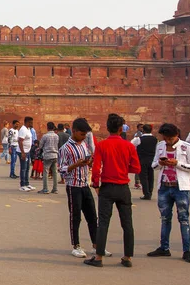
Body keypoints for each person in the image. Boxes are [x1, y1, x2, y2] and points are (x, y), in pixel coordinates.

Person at [84, 113, 140, 268]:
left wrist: (96, 184)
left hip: (107, 188)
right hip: (123, 187)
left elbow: (96, 169)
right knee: (127, 223)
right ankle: (127, 257)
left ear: (107, 128)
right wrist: (122, 168)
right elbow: (136, 168)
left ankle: (99, 257)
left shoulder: (102, 145)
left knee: (103, 223)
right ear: (121, 129)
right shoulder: (129, 146)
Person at [59, 118, 112, 258]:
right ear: (74, 131)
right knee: (75, 217)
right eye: (82, 134)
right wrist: (76, 165)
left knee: (92, 216)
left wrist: (88, 163)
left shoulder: (83, 145)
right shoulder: (65, 148)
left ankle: (96, 245)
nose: (84, 137)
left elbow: (87, 163)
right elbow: (62, 169)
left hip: (84, 184)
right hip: (73, 186)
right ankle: (76, 245)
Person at [147, 123, 190, 263]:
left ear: (177, 135)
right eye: (166, 138)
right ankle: (164, 247)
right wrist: (160, 163)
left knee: (183, 219)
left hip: (180, 187)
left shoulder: (186, 147)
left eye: (170, 138)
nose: (168, 141)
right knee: (165, 219)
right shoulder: (160, 146)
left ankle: (187, 251)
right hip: (164, 186)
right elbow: (153, 165)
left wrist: (177, 163)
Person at [131, 124, 157, 200]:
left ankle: (146, 193)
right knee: (150, 176)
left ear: (143, 130)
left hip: (142, 159)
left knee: (143, 177)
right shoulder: (155, 139)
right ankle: (150, 192)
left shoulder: (139, 139)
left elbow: (130, 145)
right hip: (152, 159)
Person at [38, 122, 59, 194]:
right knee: (55, 172)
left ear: (47, 127)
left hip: (47, 155)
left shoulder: (45, 136)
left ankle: (45, 189)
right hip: (55, 155)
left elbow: (40, 146)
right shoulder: (56, 136)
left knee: (46, 172)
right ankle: (55, 189)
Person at [18, 117, 35, 192]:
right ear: (26, 122)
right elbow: (20, 141)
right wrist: (23, 152)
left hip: (27, 151)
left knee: (27, 168)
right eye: (30, 122)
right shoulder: (23, 129)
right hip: (23, 151)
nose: (31, 124)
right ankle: (22, 185)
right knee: (23, 168)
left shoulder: (28, 129)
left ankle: (27, 183)